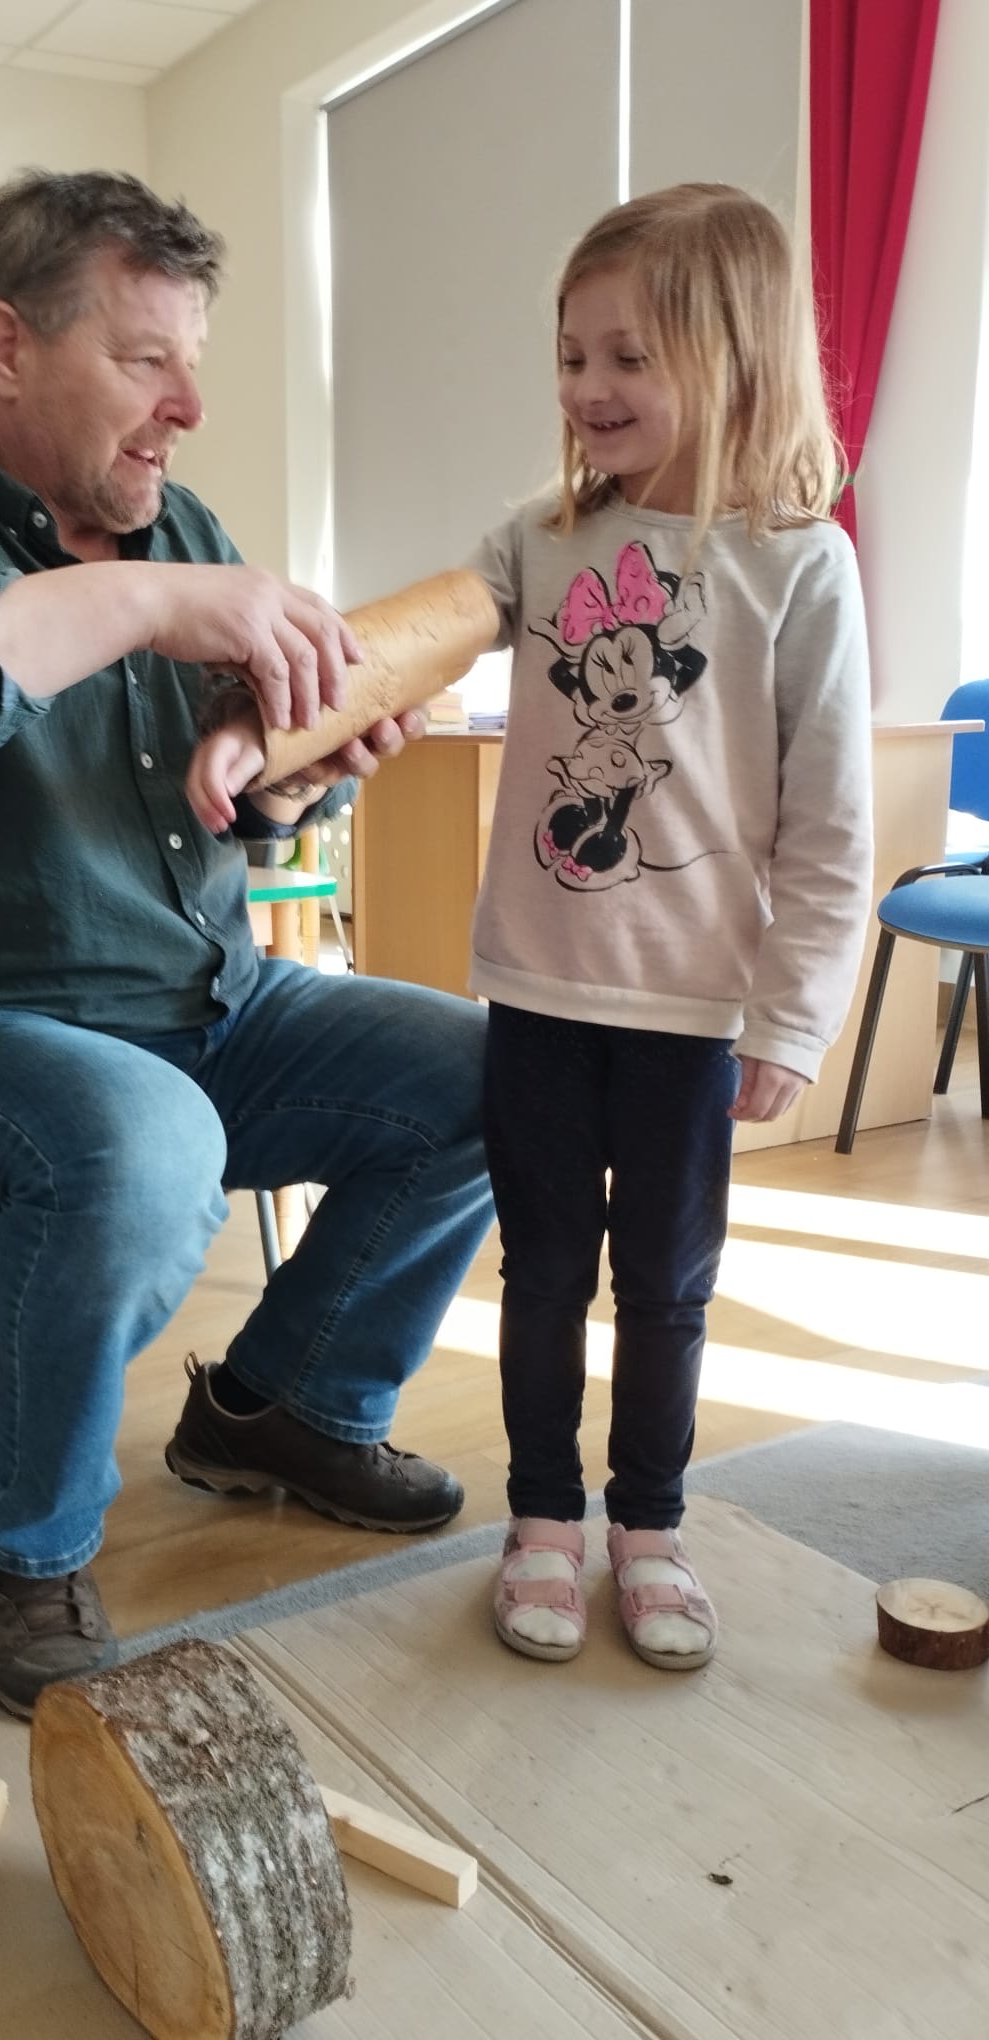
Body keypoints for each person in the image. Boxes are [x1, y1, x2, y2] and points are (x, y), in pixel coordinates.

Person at [0, 170, 496, 1719]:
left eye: (193, 362)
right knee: (141, 1145)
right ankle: (22, 1550)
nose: (187, 406)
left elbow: (231, 808)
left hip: (216, 1003)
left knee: (493, 1075)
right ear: (7, 346)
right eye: (144, 358)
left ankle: (284, 1407)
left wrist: (293, 786)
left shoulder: (179, 526)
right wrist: (148, 599)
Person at [468, 185, 871, 1669]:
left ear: (735, 357)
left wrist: (795, 1016)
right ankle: (542, 1519)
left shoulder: (800, 563)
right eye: (573, 356)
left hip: (692, 1011)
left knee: (667, 1289)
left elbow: (831, 824)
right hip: (538, 988)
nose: (590, 387)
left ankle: (649, 1525)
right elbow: (418, 636)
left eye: (629, 357)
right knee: (541, 1277)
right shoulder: (538, 538)